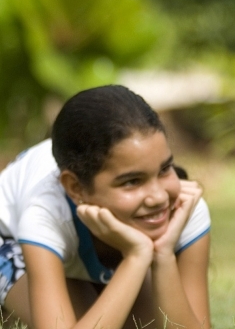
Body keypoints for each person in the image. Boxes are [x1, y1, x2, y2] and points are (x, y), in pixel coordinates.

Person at [0, 85, 211, 329]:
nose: (158, 197)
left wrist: (163, 254)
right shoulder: (44, 214)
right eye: (132, 181)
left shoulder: (184, 206)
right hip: (8, 238)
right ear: (76, 188)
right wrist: (136, 256)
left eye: (165, 169)